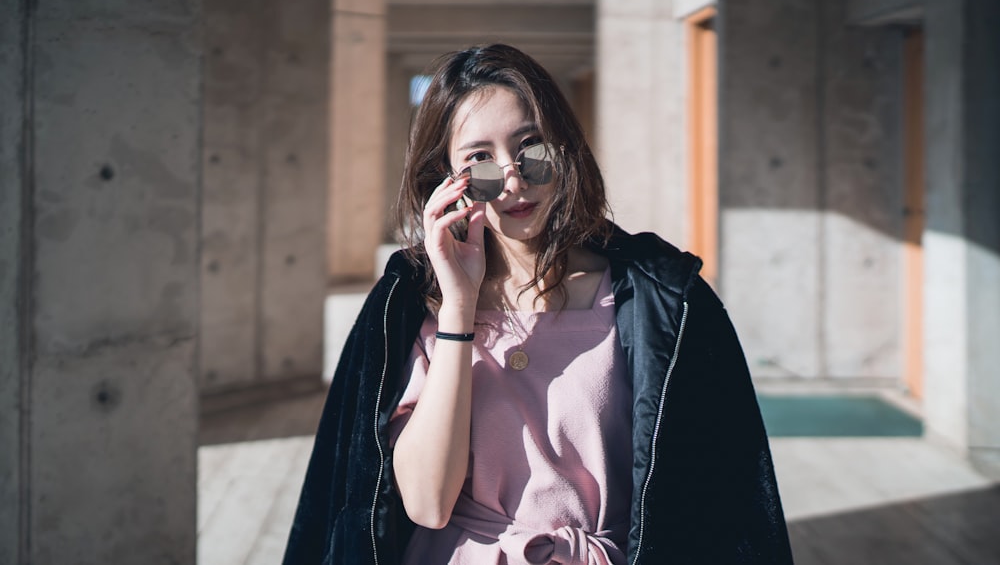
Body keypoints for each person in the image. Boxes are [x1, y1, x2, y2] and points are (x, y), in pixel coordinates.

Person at [283, 44, 793, 565]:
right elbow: (428, 504)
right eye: (479, 159)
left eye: (531, 147)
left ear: (564, 148)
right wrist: (459, 307)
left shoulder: (661, 297)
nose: (512, 178)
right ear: (447, 179)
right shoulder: (412, 305)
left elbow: (726, 496)